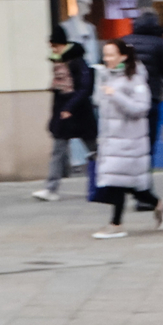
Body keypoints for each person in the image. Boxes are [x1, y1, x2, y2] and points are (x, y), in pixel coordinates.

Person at [90, 40, 163, 237]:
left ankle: (115, 225)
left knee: (117, 182)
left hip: (129, 141)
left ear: (123, 56)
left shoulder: (135, 79)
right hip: (112, 140)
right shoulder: (107, 76)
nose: (107, 59)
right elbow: (99, 103)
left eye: (111, 55)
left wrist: (115, 94)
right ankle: (158, 203)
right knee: (129, 185)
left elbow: (141, 108)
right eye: (105, 55)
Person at [37, 31, 94, 200]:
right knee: (58, 151)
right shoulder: (58, 62)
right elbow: (57, 91)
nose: (53, 50)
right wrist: (55, 116)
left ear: (62, 44)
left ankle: (104, 183)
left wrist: (69, 107)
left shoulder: (77, 61)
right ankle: (51, 188)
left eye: (55, 46)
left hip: (80, 112)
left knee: (94, 150)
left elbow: (84, 88)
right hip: (63, 112)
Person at [125, 9, 163, 155]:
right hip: (151, 96)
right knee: (149, 138)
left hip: (126, 96)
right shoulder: (160, 44)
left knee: (129, 137)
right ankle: (144, 170)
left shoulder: (124, 42)